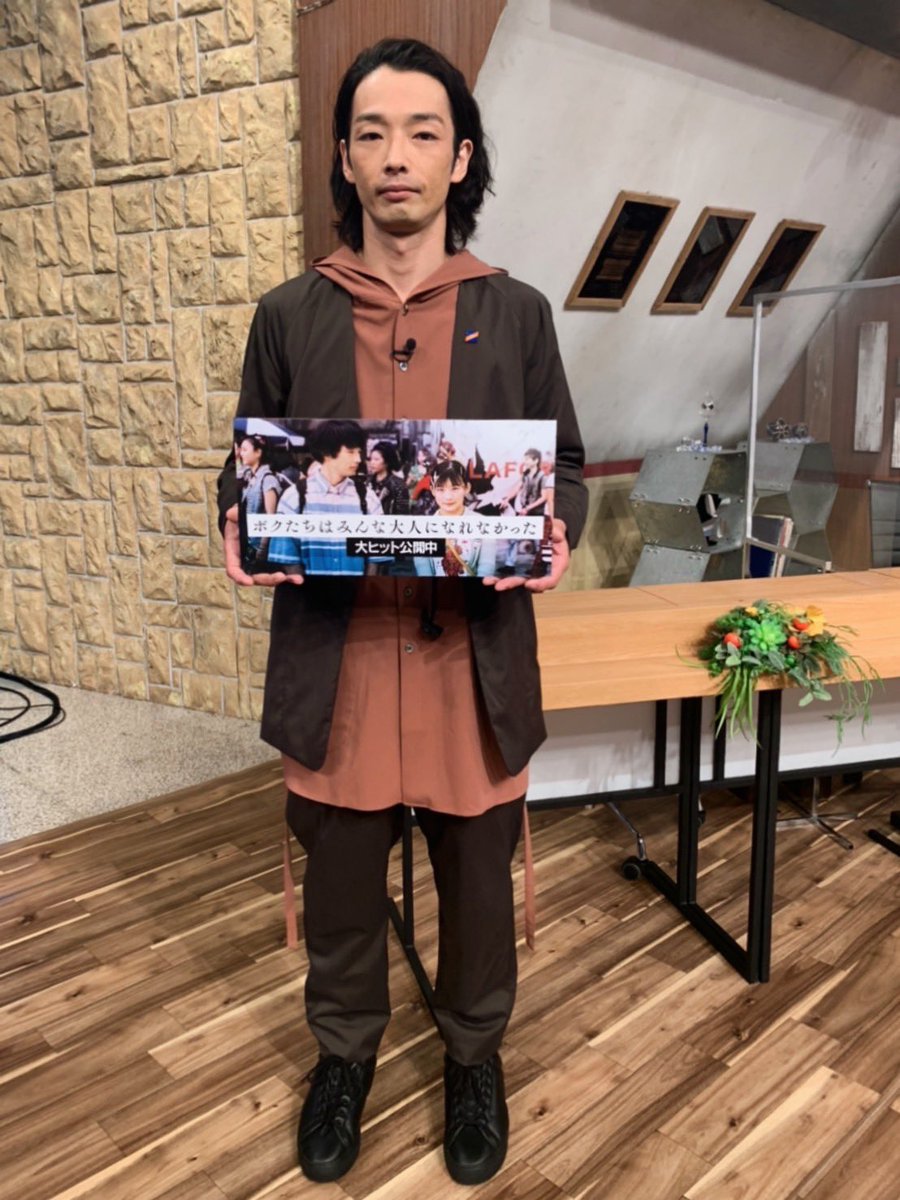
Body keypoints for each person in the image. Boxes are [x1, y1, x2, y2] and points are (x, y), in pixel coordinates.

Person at [218, 37, 587, 1188]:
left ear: (459, 156)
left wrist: (556, 532)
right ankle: (344, 1055)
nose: (395, 157)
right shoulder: (290, 314)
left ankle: (473, 1056)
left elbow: (566, 466)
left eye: (422, 132)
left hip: (470, 660)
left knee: (478, 887)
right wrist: (239, 525)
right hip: (341, 663)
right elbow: (245, 467)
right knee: (341, 890)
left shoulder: (515, 313)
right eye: (371, 133)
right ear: (344, 157)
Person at [414, 458, 497, 576]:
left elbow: (486, 568)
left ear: (466, 488)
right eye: (440, 489)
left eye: (455, 488)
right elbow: (423, 570)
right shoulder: (421, 529)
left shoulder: (484, 524)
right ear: (432, 490)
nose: (448, 497)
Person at [238, 434, 280, 567]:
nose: (241, 453)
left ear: (258, 453)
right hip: (248, 543)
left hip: (258, 548)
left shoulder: (268, 479)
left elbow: (271, 518)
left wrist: (262, 549)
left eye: (245, 450)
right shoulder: (248, 476)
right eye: (240, 450)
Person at [367, 439, 409, 514]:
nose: (372, 463)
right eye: (371, 459)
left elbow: (403, 514)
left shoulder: (398, 485)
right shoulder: (367, 482)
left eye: (376, 459)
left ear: (387, 461)